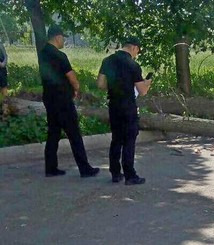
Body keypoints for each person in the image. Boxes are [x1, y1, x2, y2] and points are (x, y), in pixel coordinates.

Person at [38, 25, 100, 177]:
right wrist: (77, 88)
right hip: (63, 99)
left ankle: (50, 168)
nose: (63, 40)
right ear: (57, 37)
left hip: (49, 98)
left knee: (53, 133)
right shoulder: (60, 55)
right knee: (74, 134)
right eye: (63, 37)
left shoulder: (43, 53)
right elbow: (71, 76)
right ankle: (85, 169)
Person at [96, 36, 151, 185]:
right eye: (137, 51)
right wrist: (148, 82)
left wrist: (115, 87)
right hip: (128, 106)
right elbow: (142, 91)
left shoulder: (107, 61)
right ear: (134, 48)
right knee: (129, 140)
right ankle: (130, 175)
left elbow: (100, 84)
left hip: (113, 105)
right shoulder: (133, 65)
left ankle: (115, 173)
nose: (136, 54)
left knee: (116, 139)